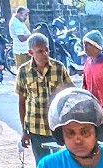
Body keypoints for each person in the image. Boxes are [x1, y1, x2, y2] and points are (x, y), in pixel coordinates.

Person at [16, 33, 74, 161]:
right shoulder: (23, 71)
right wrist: (24, 131)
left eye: (47, 50)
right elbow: (21, 102)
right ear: (30, 53)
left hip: (57, 126)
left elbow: (70, 95)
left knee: (62, 162)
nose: (45, 54)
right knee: (42, 163)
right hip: (36, 128)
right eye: (40, 51)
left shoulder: (59, 68)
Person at [10, 6, 31, 71]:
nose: (26, 17)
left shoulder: (18, 21)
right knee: (23, 71)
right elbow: (21, 38)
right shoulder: (16, 23)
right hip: (21, 51)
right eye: (25, 15)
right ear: (19, 14)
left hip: (24, 50)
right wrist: (32, 34)